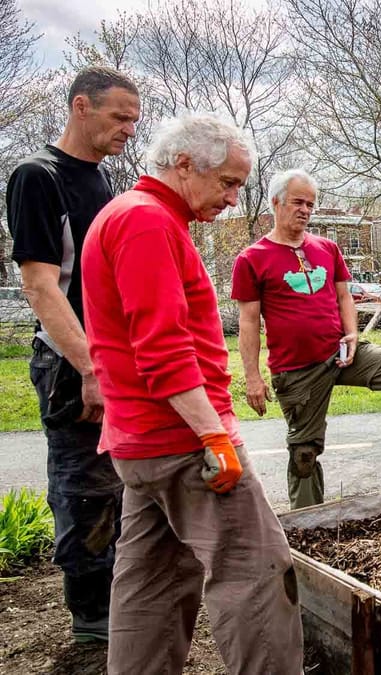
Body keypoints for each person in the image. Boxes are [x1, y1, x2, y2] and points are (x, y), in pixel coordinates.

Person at [81, 113, 302, 674]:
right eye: (227, 182)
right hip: (184, 444)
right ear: (184, 165)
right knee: (258, 571)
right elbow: (161, 348)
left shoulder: (135, 216)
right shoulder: (146, 223)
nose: (233, 199)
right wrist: (213, 434)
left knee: (152, 583)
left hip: (143, 445)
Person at [231, 169, 381, 510]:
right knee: (304, 453)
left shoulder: (326, 248)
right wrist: (252, 377)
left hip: (342, 353)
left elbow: (344, 296)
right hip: (297, 370)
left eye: (311, 204)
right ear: (276, 203)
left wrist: (353, 333)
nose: (306, 210)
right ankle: (308, 525)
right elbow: (249, 322)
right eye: (298, 202)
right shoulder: (252, 259)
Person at [5, 66, 140, 643]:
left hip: (108, 354)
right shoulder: (38, 176)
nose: (129, 130)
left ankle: (117, 597)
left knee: (117, 481)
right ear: (81, 106)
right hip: (70, 362)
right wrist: (90, 367)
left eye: (134, 120)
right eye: (119, 117)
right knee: (84, 482)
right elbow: (40, 286)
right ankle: (91, 615)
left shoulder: (102, 181)